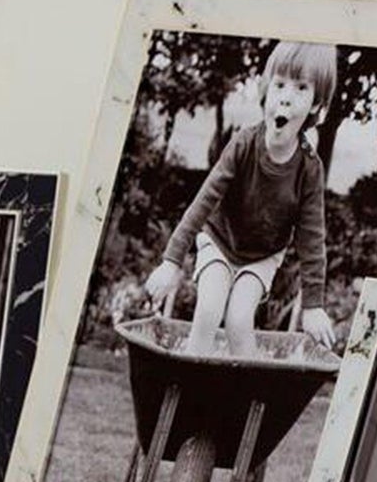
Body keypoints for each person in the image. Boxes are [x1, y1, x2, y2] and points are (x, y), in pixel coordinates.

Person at [144, 40, 339, 356]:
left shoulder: (309, 169)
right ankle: (188, 388)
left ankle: (244, 398)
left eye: (301, 88)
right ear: (266, 90)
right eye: (280, 85)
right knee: (208, 310)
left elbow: (312, 238)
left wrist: (313, 306)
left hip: (262, 256)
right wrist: (171, 261)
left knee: (237, 320)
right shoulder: (243, 145)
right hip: (219, 240)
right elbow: (204, 200)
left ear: (317, 105)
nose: (286, 98)